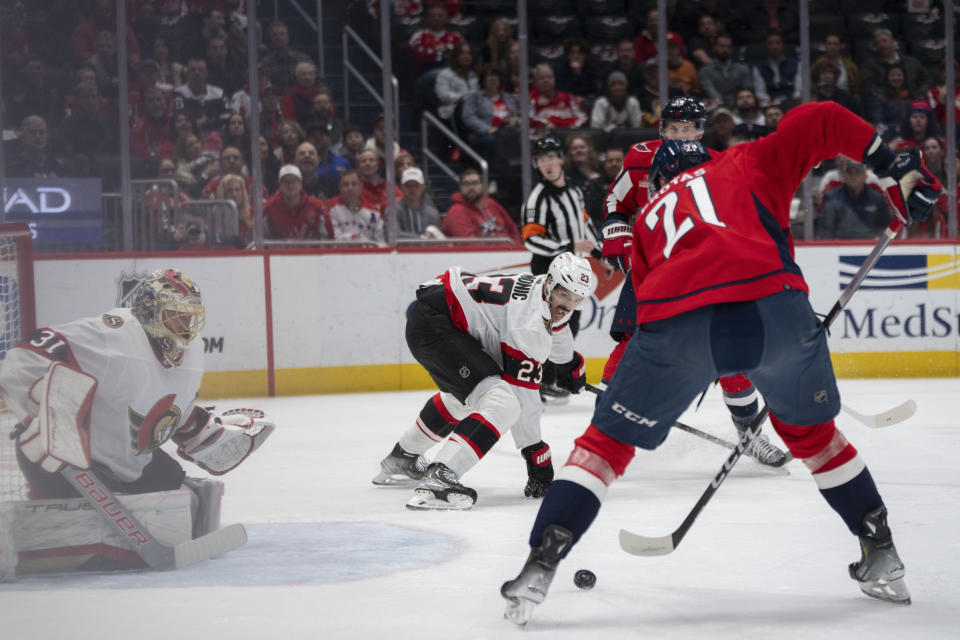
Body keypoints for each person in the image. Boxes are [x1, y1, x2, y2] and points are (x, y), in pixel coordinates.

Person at [501, 101, 936, 624]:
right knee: (815, 439)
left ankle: (541, 560)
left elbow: (651, 295)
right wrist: (894, 166)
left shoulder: (648, 221)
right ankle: (881, 550)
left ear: (658, 182)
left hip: (678, 329)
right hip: (775, 309)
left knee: (605, 446)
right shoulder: (746, 161)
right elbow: (823, 118)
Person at [0, 269, 274, 563]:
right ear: (148, 308)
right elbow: (27, 355)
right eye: (175, 314)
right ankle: (44, 539)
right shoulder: (114, 336)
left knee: (191, 493)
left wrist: (204, 432)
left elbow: (168, 410)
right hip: (60, 458)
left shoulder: (193, 351)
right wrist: (50, 413)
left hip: (128, 461)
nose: (185, 325)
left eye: (189, 315)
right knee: (76, 520)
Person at [599, 96, 786, 466]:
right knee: (634, 340)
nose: (681, 136)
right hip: (651, 266)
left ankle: (750, 434)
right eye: (673, 129)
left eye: (688, 129)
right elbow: (615, 203)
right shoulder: (640, 158)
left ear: (701, 132)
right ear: (662, 130)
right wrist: (617, 236)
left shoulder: (718, 166)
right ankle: (605, 430)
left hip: (701, 274)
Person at [372, 252, 597, 510]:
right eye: (564, 295)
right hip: (436, 325)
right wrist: (535, 451)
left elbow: (555, 324)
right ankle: (440, 476)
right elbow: (522, 392)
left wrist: (567, 362)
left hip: (439, 315)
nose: (567, 306)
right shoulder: (528, 324)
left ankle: (403, 457)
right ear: (550, 284)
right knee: (504, 402)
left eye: (577, 300)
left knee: (469, 399)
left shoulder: (543, 293)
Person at [442, 168, 520, 242]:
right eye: (466, 184)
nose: (471, 187)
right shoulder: (456, 212)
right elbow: (471, 247)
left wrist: (518, 250)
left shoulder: (491, 203)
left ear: (482, 185)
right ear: (460, 187)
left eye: (475, 183)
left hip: (509, 252)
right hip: (485, 255)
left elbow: (512, 229)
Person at [818, 161, 892, 239]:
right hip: (840, 247)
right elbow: (826, 230)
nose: (853, 176)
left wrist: (879, 239)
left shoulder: (877, 199)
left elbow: (885, 227)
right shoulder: (832, 198)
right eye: (849, 173)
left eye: (857, 172)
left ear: (865, 176)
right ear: (844, 176)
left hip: (870, 246)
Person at [264, 164, 332, 239]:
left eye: (294, 180)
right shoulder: (268, 209)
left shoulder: (318, 207)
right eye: (285, 181)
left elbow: (328, 239)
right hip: (279, 250)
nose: (290, 185)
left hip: (310, 250)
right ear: (280, 186)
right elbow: (262, 239)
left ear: (300, 184)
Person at [325, 170, 385, 244]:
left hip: (368, 254)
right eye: (345, 185)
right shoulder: (330, 208)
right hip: (340, 253)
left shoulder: (374, 212)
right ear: (339, 187)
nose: (350, 188)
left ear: (361, 186)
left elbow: (380, 241)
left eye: (354, 184)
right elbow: (335, 238)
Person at [699, 33, 754, 110]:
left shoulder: (742, 69)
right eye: (721, 46)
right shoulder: (705, 71)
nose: (725, 50)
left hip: (740, 107)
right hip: (717, 108)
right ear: (714, 48)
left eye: (728, 47)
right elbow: (712, 93)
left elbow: (746, 90)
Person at [529, 64, 588, 131]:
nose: (545, 80)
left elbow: (583, 117)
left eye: (549, 77)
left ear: (554, 79)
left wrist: (575, 126)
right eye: (541, 78)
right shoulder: (532, 99)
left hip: (570, 135)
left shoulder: (567, 97)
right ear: (536, 81)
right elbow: (529, 119)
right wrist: (545, 124)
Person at [751, 29, 800, 106]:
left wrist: (791, 103)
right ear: (765, 45)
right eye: (771, 43)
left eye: (778, 43)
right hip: (770, 106)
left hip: (792, 104)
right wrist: (772, 105)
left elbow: (798, 91)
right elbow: (760, 94)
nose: (774, 46)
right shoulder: (759, 67)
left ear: (782, 44)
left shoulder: (795, 64)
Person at [434, 41, 478, 126]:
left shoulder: (475, 74)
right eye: (462, 53)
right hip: (452, 110)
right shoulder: (445, 74)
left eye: (469, 53)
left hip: (474, 110)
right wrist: (462, 97)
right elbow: (443, 95)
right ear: (455, 56)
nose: (466, 56)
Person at [262, 20, 312, 94]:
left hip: (298, 103)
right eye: (275, 35)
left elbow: (319, 80)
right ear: (271, 39)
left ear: (288, 37)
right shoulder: (265, 64)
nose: (278, 37)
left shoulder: (302, 60)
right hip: (275, 103)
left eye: (282, 34)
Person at [396, 167, 443, 239]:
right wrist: (420, 238)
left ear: (423, 187)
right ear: (401, 187)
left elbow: (435, 238)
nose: (412, 189)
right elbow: (393, 235)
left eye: (416, 185)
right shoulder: (392, 212)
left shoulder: (432, 213)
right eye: (408, 186)